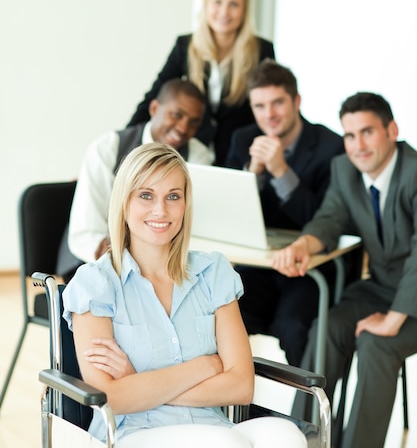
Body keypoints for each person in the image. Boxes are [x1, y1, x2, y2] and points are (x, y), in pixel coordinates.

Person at [62, 143, 307, 448]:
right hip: (132, 432)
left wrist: (139, 380)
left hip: (213, 425)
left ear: (185, 204)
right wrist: (204, 367)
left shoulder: (212, 273)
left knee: (287, 436)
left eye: (173, 197)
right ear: (124, 203)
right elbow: (112, 397)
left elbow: (241, 386)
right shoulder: (95, 283)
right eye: (146, 195)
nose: (160, 210)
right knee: (224, 444)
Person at [272, 92, 417, 448]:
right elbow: (329, 218)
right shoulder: (345, 170)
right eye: (350, 136)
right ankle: (302, 439)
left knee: (376, 344)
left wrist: (394, 317)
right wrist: (303, 246)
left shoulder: (414, 173)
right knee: (328, 328)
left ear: (392, 130)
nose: (358, 145)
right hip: (382, 287)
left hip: (411, 299)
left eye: (368, 132)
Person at [226, 59, 345, 365]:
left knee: (294, 328)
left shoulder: (331, 147)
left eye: (278, 103)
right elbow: (232, 218)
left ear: (296, 102)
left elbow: (325, 218)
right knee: (224, 317)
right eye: (260, 106)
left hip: (307, 268)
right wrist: (253, 173)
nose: (270, 114)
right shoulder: (243, 139)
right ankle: (236, 409)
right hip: (257, 266)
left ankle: (299, 412)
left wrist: (281, 172)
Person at [58, 79, 213, 279]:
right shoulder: (108, 149)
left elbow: (195, 223)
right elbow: (87, 233)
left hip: (165, 266)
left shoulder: (198, 156)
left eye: (194, 122)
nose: (183, 128)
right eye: (177, 115)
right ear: (154, 108)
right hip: (96, 263)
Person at [127, 0, 275, 166]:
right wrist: (124, 147)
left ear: (244, 11)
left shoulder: (261, 50)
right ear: (206, 6)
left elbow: (272, 99)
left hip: (240, 154)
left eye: (234, 4)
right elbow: (155, 97)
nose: (224, 12)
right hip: (193, 150)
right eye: (217, 2)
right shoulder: (186, 46)